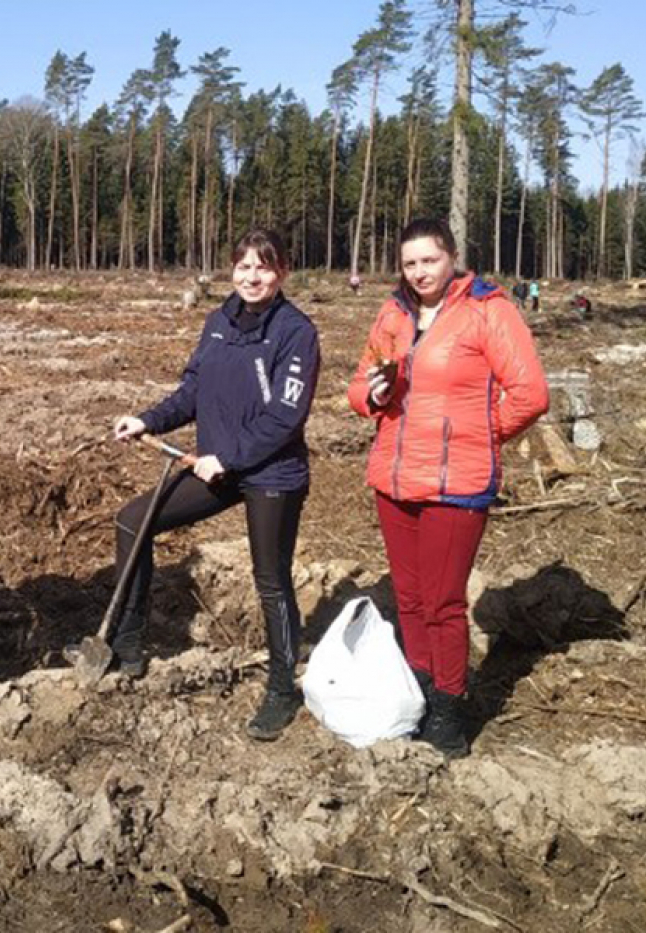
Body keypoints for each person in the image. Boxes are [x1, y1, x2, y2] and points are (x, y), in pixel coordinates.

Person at [347, 218, 548, 759]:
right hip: (393, 477)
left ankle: (451, 709)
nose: (419, 273)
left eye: (429, 261)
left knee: (442, 602)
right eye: (410, 264)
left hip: (455, 484)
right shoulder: (393, 313)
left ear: (453, 256)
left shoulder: (489, 310)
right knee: (408, 600)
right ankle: (419, 691)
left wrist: (477, 437)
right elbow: (358, 384)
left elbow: (529, 393)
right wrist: (373, 394)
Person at [111, 228, 320, 741]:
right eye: (243, 266)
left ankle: (280, 688)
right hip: (219, 470)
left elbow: (284, 418)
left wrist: (225, 455)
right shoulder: (218, 322)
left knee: (270, 579)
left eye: (264, 267)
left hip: (272, 474)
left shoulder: (296, 332)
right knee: (133, 521)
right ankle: (129, 642)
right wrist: (147, 420)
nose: (252, 276)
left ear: (283, 272)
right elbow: (192, 391)